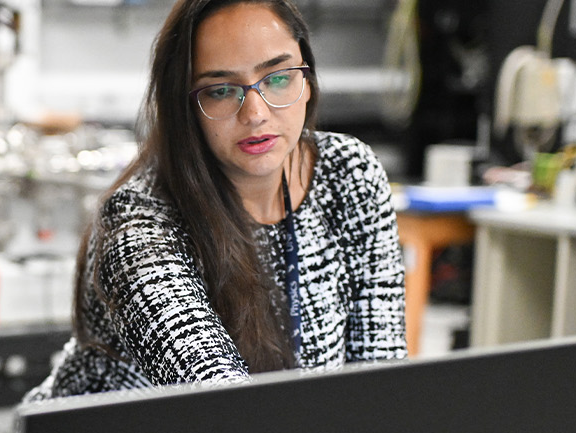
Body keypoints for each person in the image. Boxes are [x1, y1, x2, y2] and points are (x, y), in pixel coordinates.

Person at [25, 0, 406, 401]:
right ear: (185, 107)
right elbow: (220, 404)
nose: (256, 113)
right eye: (222, 90)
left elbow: (378, 378)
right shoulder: (139, 226)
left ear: (307, 81)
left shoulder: (348, 172)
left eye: (278, 77)